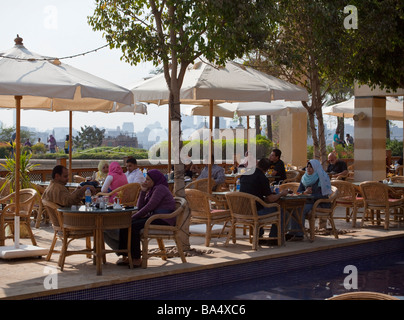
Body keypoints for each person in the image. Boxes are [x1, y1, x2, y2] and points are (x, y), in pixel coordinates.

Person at [117, 169, 176, 267]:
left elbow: (149, 207)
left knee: (133, 225)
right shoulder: (152, 189)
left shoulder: (160, 189)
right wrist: (143, 192)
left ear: (155, 180)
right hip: (154, 217)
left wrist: (133, 217)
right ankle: (127, 256)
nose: (145, 181)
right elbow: (141, 207)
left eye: (148, 180)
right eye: (146, 179)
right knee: (126, 223)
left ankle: (136, 259)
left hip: (163, 219)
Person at [240, 158, 288, 245]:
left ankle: (259, 236)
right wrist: (281, 194)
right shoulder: (262, 178)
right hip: (255, 211)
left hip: (242, 210)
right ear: (267, 169)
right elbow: (270, 199)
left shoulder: (245, 174)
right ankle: (274, 238)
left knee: (260, 204)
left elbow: (254, 193)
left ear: (257, 164)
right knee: (279, 210)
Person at [287, 159, 332, 240]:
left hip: (319, 203)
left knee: (300, 209)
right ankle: (292, 232)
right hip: (307, 202)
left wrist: (310, 194)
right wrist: (305, 192)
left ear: (316, 167)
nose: (308, 169)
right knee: (292, 207)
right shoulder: (304, 178)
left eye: (311, 167)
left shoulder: (321, 178)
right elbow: (299, 191)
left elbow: (323, 195)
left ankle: (299, 234)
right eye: (307, 167)